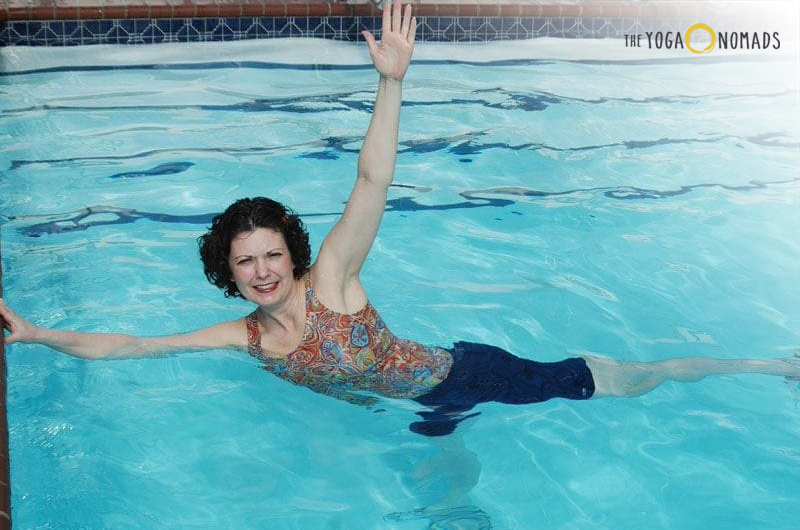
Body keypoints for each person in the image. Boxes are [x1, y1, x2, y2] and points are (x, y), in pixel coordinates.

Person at [1, 1, 798, 437]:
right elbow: (133, 346)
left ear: (292, 252)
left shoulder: (333, 281)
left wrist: (391, 82)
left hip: (471, 376)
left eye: (271, 253)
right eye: (246, 262)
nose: (263, 271)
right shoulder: (243, 337)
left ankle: (765, 369)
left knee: (632, 383)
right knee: (443, 493)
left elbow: (372, 180)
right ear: (228, 271)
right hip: (418, 410)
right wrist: (36, 335)